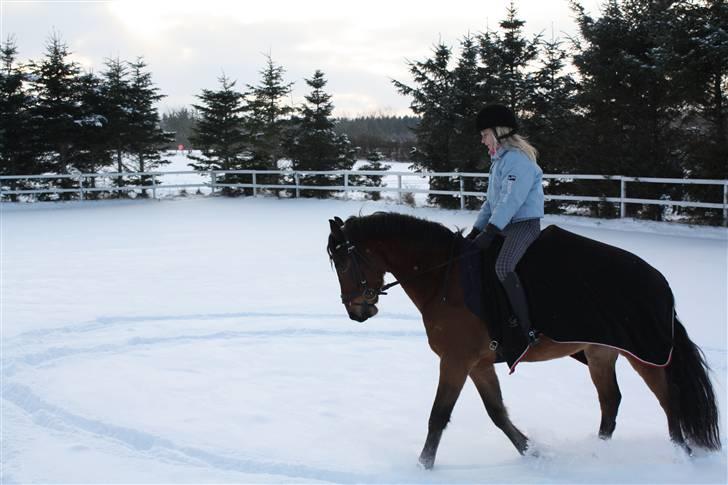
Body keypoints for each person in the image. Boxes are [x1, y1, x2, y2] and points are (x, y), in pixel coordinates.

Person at [466, 104, 544, 346]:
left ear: (499, 132)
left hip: (523, 225)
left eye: (485, 135)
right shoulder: (499, 162)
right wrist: (476, 231)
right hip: (504, 225)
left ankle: (527, 328)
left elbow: (511, 201)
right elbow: (492, 204)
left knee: (503, 267)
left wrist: (491, 230)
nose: (482, 141)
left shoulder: (517, 161)